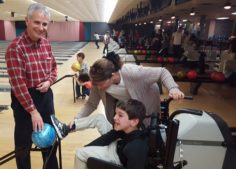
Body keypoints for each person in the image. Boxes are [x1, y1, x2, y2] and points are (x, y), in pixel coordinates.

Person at [51, 51, 184, 139]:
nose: (98, 87)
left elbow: (162, 72)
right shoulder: (99, 83)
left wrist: (173, 88)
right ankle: (67, 128)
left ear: (113, 76)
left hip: (146, 110)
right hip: (126, 115)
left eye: (101, 84)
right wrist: (77, 119)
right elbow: (91, 104)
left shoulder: (131, 72)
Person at [5, 3, 58, 169]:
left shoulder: (46, 43)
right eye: (37, 22)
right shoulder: (16, 48)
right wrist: (33, 111)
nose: (41, 27)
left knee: (49, 140)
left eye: (44, 24)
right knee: (23, 143)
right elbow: (18, 84)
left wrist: (49, 81)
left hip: (45, 96)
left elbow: (54, 68)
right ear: (26, 21)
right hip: (24, 100)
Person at [74, 99, 148, 169]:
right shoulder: (128, 128)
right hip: (118, 144)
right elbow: (107, 138)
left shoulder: (135, 147)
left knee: (80, 153)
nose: (114, 118)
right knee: (99, 118)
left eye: (120, 115)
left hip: (116, 155)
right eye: (116, 114)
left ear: (134, 122)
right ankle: (68, 128)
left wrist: (86, 149)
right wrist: (88, 147)